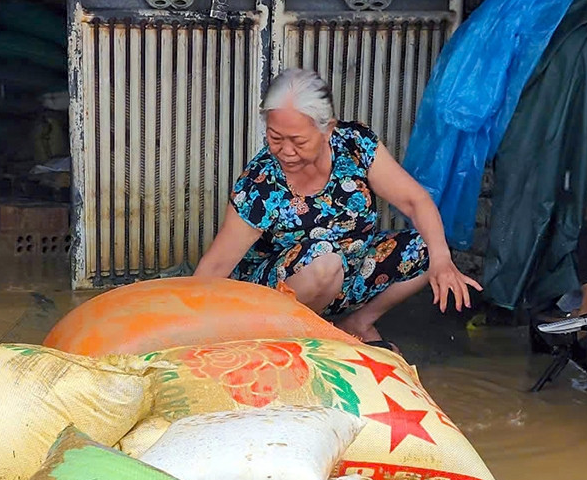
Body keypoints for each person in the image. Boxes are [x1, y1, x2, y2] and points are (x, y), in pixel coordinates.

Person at [193, 68, 478, 342]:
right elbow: (217, 264)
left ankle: (357, 323)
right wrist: (187, 321)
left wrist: (442, 262)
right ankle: (299, 335)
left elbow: (416, 201)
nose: (285, 151)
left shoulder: (355, 145)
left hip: (348, 275)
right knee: (324, 258)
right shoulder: (261, 182)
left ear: (328, 129)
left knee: (430, 244)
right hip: (277, 294)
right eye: (275, 138)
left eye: (298, 141)